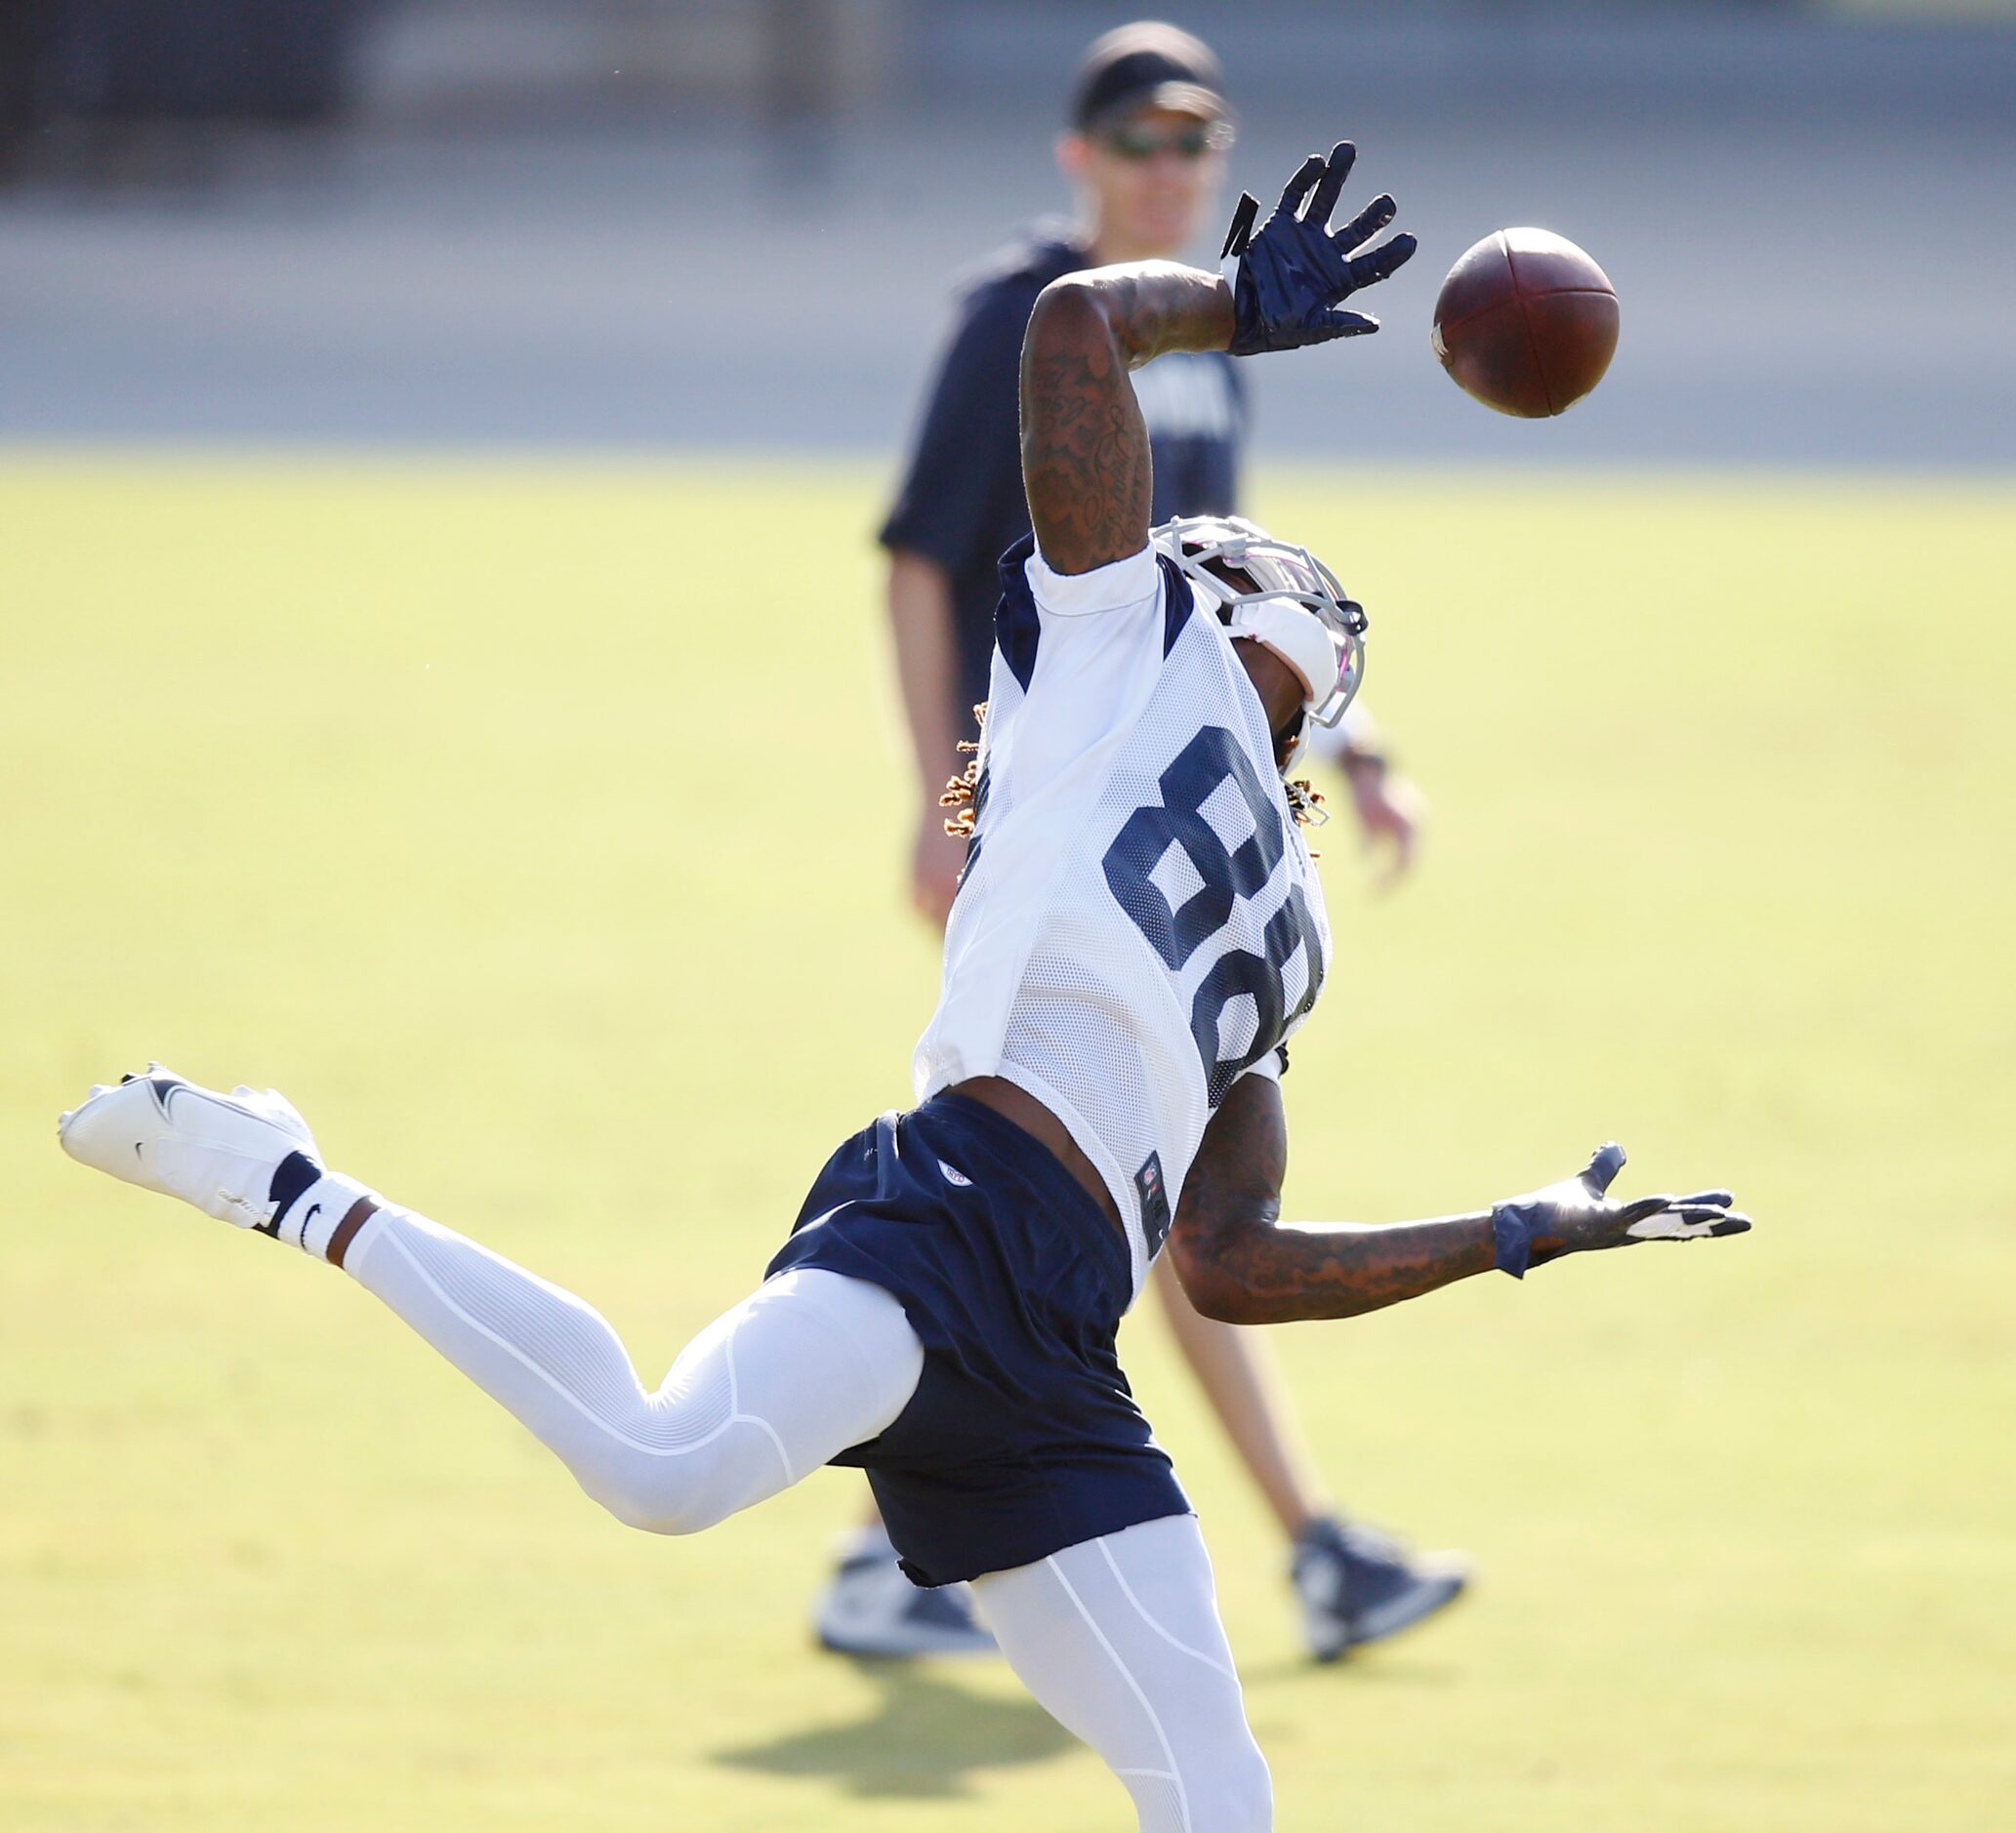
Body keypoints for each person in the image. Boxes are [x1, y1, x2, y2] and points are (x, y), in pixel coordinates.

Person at [58, 141, 1750, 1833]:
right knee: (662, 1470)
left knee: (1217, 1796)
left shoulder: (1291, 918)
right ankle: (287, 1178)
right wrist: (1228, 306)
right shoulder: (1123, 643)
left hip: (1064, 1349)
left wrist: (1502, 1235)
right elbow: (1073, 329)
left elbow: (1224, 1262)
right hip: (944, 1219)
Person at [843, 19, 1439, 1663]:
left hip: (1144, 850)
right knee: (1131, 1184)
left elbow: (1227, 596)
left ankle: (886, 1544)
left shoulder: (1217, 340)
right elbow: (916, 566)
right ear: (1079, 157)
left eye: (1196, 144)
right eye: (1141, 143)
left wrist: (1354, 742)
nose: (1172, 170)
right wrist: (935, 799)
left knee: (1056, 1183)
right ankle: (1309, 1543)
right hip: (1027, 819)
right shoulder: (1017, 327)